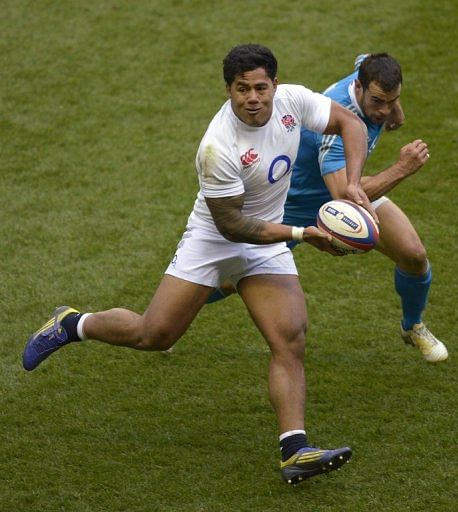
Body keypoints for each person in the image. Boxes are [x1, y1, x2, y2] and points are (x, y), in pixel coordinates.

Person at [23, 44, 374, 484]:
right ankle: (73, 324)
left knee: (290, 337)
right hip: (215, 240)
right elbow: (233, 225)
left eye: (260, 87)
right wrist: (302, 234)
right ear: (228, 89)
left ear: (275, 85)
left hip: (266, 241)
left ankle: (295, 450)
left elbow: (349, 123)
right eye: (242, 89)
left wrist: (354, 184)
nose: (253, 97)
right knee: (153, 334)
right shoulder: (217, 147)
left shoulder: (293, 101)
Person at [283, 53, 448, 362]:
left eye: (392, 100)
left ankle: (412, 326)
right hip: (296, 204)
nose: (383, 111)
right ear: (358, 87)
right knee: (232, 279)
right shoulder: (338, 127)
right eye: (377, 102)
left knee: (413, 254)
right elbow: (345, 199)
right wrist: (402, 168)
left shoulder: (368, 72)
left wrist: (394, 109)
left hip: (344, 186)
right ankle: (171, 322)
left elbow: (367, 57)